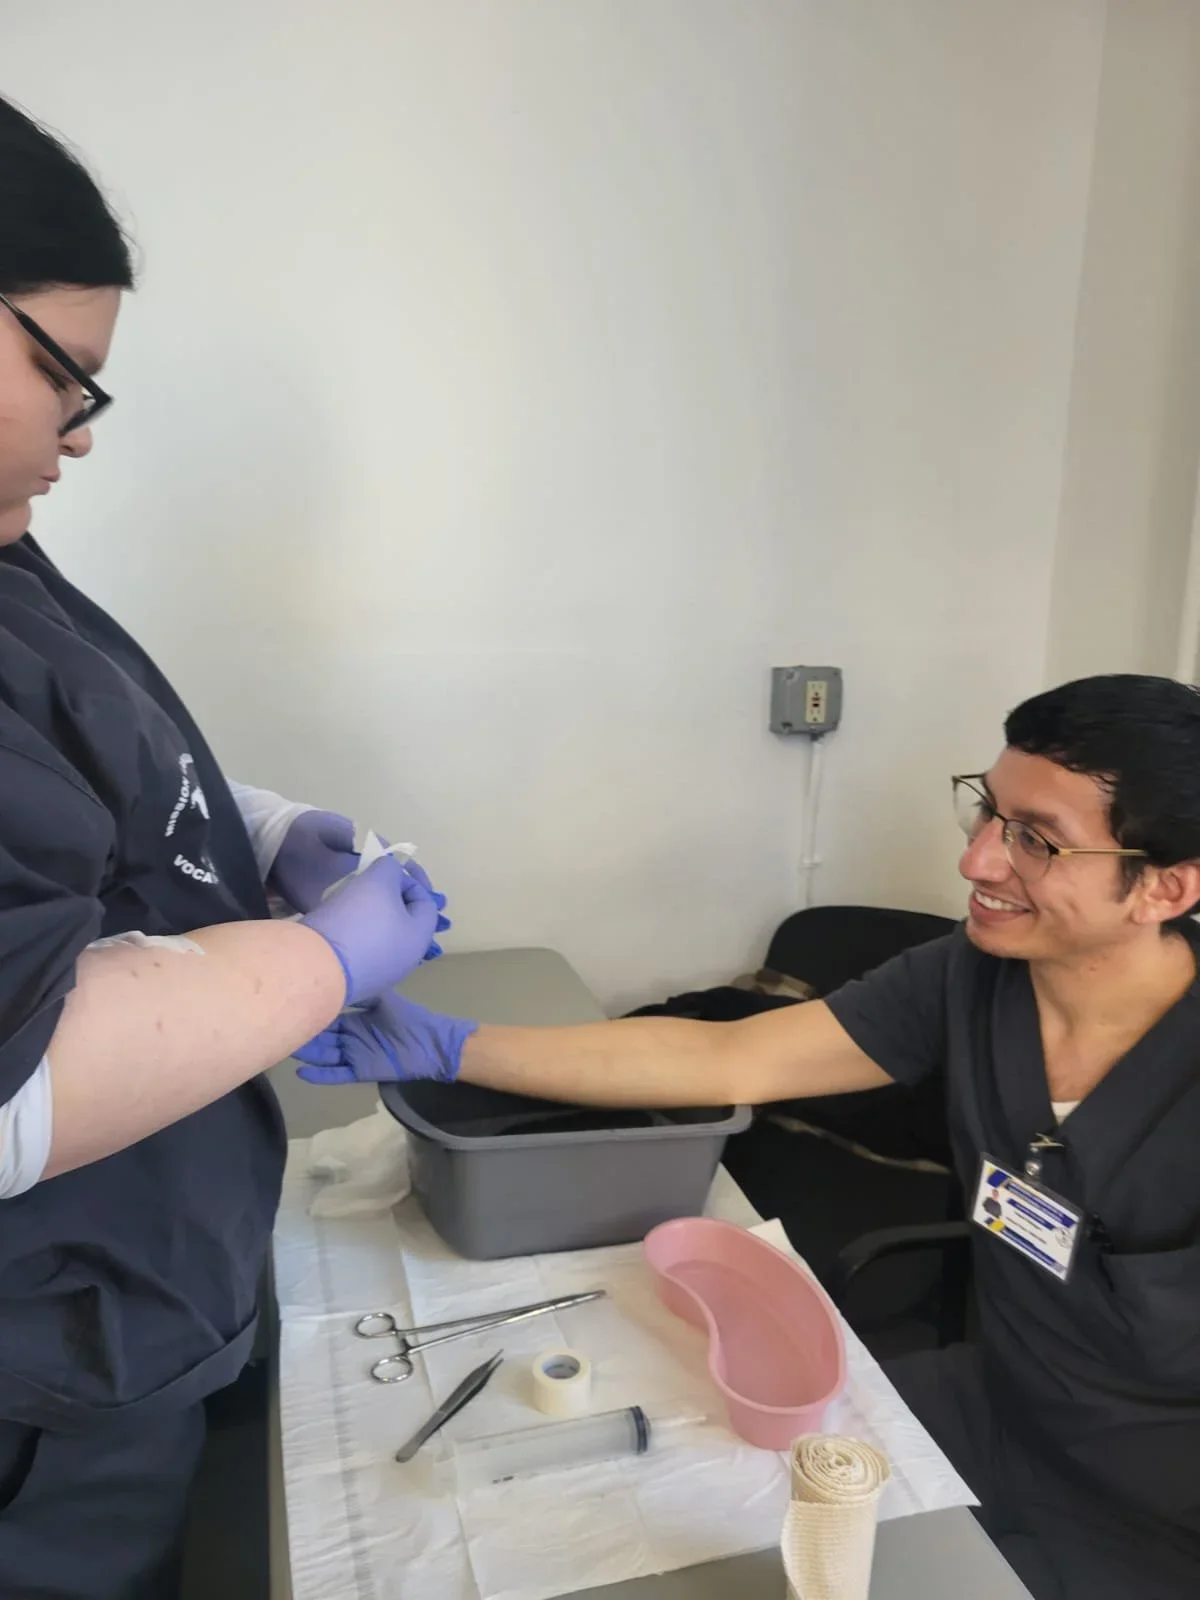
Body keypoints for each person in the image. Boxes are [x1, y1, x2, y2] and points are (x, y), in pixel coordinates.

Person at [303, 673, 1200, 1600]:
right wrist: (453, 1046)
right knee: (675, 1525)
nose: (976, 863)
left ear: (1165, 887)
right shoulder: (971, 978)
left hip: (1155, 1504)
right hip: (990, 1401)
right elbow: (729, 1061)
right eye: (986, 811)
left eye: (1036, 840)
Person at [0, 97, 448, 1596]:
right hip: (45, 1371)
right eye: (66, 379)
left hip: (135, 1312)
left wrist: (266, 838)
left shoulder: (5, 549)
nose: (78, 435)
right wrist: (322, 963)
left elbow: (103, 771)